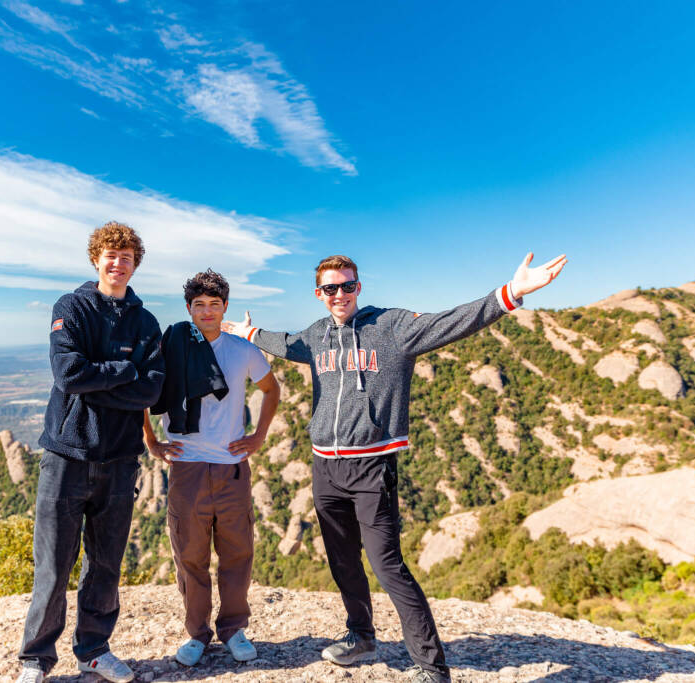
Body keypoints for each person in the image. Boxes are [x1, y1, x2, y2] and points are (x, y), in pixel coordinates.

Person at [222, 252, 566, 683]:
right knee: (342, 559)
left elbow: (452, 322)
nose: (340, 294)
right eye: (331, 288)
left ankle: (432, 668)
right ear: (319, 294)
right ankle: (361, 636)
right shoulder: (317, 336)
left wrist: (511, 293)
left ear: (358, 287)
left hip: (371, 467)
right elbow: (285, 341)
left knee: (387, 566)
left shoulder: (392, 327)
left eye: (348, 285)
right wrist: (247, 332)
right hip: (325, 467)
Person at [16, 222, 165, 683]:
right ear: (96, 259)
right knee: (54, 566)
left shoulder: (145, 322)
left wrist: (106, 382)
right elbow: (69, 375)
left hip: (120, 458)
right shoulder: (73, 307)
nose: (117, 263)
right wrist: (125, 371)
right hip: (67, 456)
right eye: (110, 254)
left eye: (126, 256)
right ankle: (36, 660)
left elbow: (153, 392)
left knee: (105, 565)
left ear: (135, 264)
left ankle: (94, 650)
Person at [143, 269, 280, 668]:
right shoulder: (171, 350)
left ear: (225, 308)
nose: (206, 312)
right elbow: (143, 395)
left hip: (232, 467)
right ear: (189, 308)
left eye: (214, 305)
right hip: (186, 466)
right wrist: (150, 441)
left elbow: (272, 390)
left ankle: (234, 629)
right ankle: (197, 634)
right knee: (190, 555)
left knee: (238, 552)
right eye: (199, 305)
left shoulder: (243, 350)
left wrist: (259, 436)